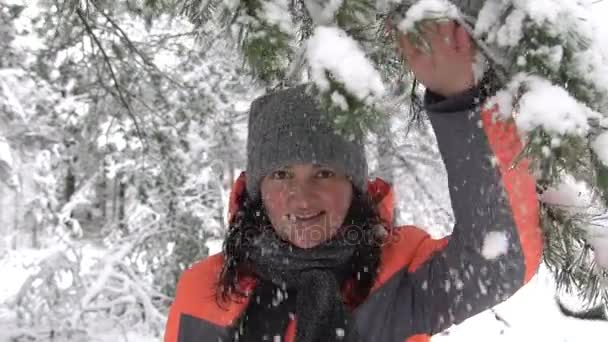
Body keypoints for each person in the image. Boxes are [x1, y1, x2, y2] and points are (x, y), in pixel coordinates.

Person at [164, 15, 543, 342]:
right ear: (258, 189)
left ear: (355, 185)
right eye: (281, 175)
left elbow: (499, 261)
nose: (301, 197)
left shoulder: (398, 275)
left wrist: (461, 102)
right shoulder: (202, 292)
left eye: (324, 173)